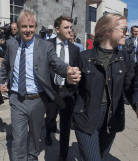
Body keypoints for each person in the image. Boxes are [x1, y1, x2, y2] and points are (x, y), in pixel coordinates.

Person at [0, 9, 81, 161]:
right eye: (24, 26)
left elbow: (57, 64)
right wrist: (1, 81)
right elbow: (5, 64)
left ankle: (32, 158)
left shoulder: (45, 46)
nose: (27, 30)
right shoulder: (11, 44)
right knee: (18, 140)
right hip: (17, 99)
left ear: (35, 27)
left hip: (38, 100)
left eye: (31, 26)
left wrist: (68, 70)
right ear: (18, 26)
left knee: (34, 138)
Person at [72, 13, 135, 161]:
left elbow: (131, 87)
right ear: (108, 30)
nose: (127, 33)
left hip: (111, 117)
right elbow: (71, 89)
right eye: (123, 29)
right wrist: (69, 80)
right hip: (86, 115)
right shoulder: (84, 57)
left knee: (101, 157)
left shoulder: (125, 58)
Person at [45, 16, 80, 161]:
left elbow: (78, 70)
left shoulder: (75, 49)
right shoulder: (46, 45)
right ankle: (48, 133)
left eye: (70, 27)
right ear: (57, 29)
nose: (69, 30)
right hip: (51, 90)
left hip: (67, 91)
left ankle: (63, 155)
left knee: (65, 126)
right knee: (51, 119)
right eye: (66, 27)